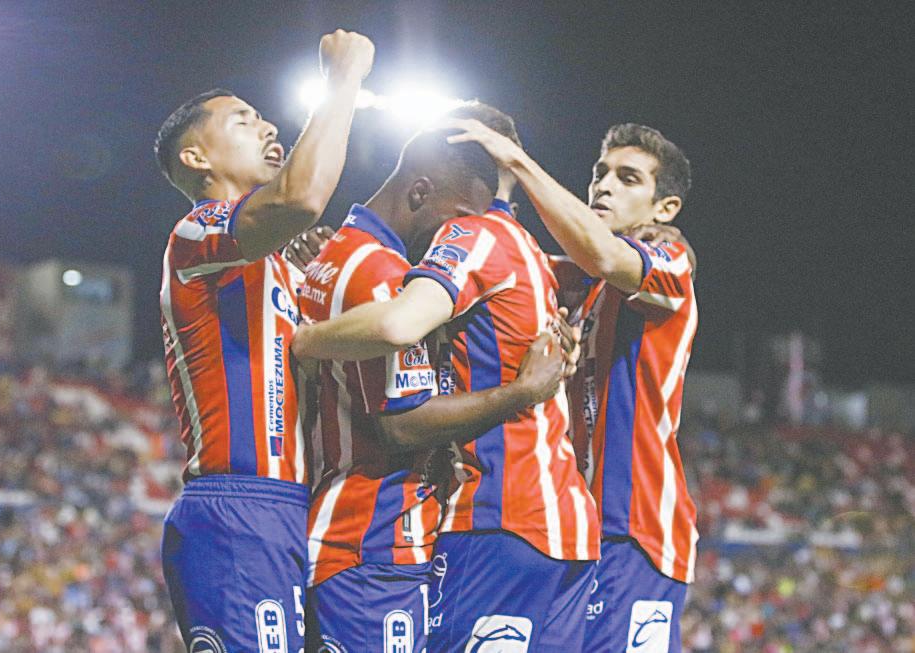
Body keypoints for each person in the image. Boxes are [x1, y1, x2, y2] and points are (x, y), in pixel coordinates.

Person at [292, 104, 600, 652]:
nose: (442, 235)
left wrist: (305, 339)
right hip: (566, 525)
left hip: (495, 516)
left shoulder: (470, 233)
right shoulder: (532, 252)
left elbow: (398, 325)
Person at [153, 30, 374, 652]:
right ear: (197, 158)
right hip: (239, 505)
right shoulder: (194, 236)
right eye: (244, 120)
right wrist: (342, 81)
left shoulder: (286, 266)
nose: (269, 127)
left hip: (302, 507)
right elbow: (300, 198)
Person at [446, 119, 697, 652]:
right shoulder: (579, 281)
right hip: (568, 526)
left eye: (628, 178)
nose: (604, 186)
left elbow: (602, 253)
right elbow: (500, 256)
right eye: (600, 173)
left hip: (636, 528)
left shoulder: (671, 264)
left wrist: (517, 162)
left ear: (666, 209)